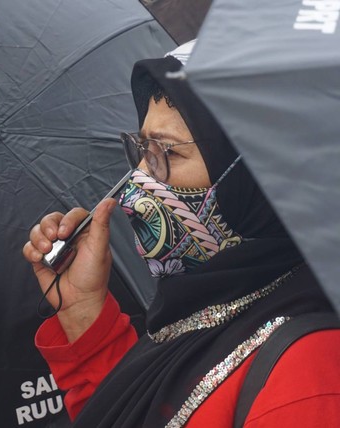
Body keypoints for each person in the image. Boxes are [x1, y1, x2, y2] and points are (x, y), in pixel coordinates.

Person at [23, 41, 340, 427]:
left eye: (168, 153)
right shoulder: (193, 317)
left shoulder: (308, 377)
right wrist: (82, 310)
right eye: (142, 147)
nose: (139, 177)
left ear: (261, 178)